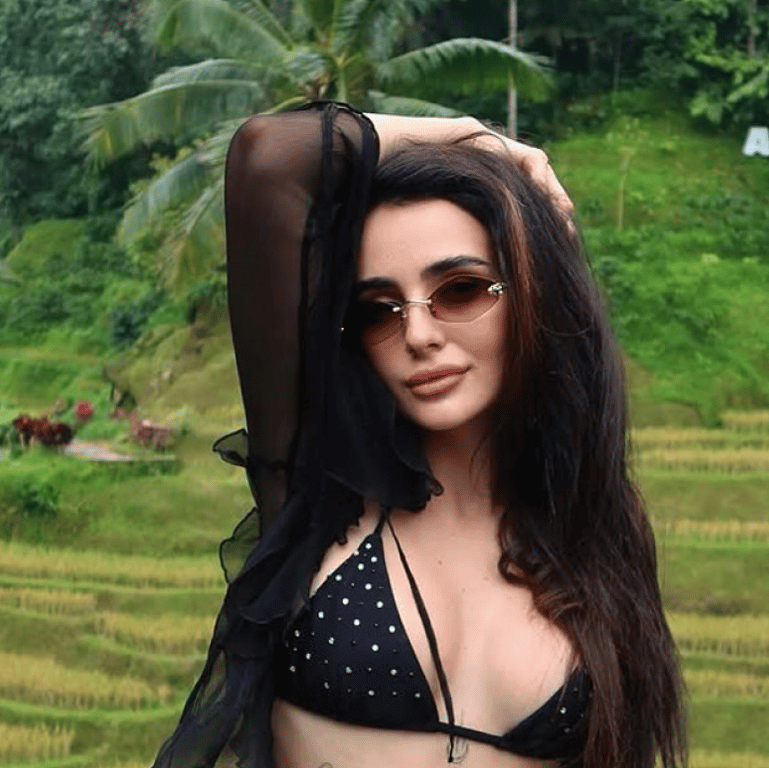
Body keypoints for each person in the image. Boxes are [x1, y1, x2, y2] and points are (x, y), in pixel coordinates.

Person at [150, 103, 685, 768]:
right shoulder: (319, 493)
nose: (419, 334)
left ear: (534, 293)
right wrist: (470, 134)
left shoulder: (592, 523)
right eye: (380, 310)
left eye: (461, 290)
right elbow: (270, 157)